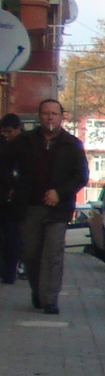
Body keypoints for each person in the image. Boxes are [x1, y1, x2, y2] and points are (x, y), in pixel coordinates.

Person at [17, 99, 89, 314]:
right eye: (46, 113)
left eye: (54, 113)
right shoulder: (25, 141)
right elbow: (6, 162)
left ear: (61, 117)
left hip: (59, 208)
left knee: (53, 252)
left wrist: (60, 192)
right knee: (30, 253)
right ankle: (37, 290)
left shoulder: (72, 144)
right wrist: (11, 187)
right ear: (39, 116)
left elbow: (81, 176)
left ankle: (50, 299)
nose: (50, 117)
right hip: (31, 206)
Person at [0, 112, 23, 285]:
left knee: (13, 237)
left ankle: (9, 272)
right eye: (4, 132)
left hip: (16, 201)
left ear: (17, 129)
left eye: (9, 131)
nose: (6, 135)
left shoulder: (24, 147)